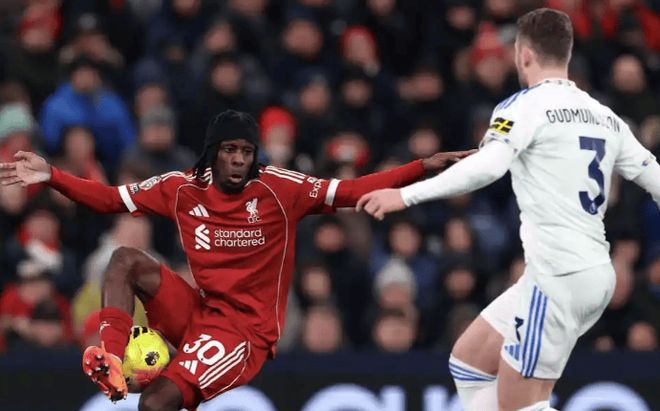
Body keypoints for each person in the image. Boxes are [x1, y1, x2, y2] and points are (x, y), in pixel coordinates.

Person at [0, 109, 472, 411]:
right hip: (201, 310)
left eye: (247, 151)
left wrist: (422, 167)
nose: (240, 160)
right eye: (230, 150)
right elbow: (108, 200)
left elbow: (351, 191)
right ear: (213, 152)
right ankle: (111, 358)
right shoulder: (180, 188)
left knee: (157, 403)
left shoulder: (280, 188)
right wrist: (52, 175)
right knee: (124, 259)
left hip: (245, 331)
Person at [356, 8, 660, 411]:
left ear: (523, 54)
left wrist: (406, 195)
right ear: (566, 53)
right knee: (468, 363)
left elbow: (488, 166)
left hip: (557, 275)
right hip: (587, 273)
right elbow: (654, 176)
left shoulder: (523, 106)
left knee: (522, 405)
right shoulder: (604, 116)